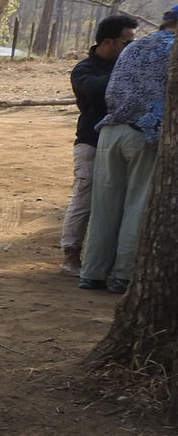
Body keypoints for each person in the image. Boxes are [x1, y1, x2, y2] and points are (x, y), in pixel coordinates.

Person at [79, 5, 176, 293]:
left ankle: (92, 273)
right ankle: (123, 275)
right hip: (144, 134)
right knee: (137, 204)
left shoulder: (133, 47)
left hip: (110, 131)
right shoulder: (174, 51)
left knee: (104, 207)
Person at [61, 14, 138, 275]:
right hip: (90, 143)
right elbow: (95, 90)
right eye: (126, 43)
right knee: (85, 197)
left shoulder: (124, 65)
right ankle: (71, 253)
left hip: (120, 144)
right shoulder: (83, 70)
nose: (131, 49)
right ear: (108, 41)